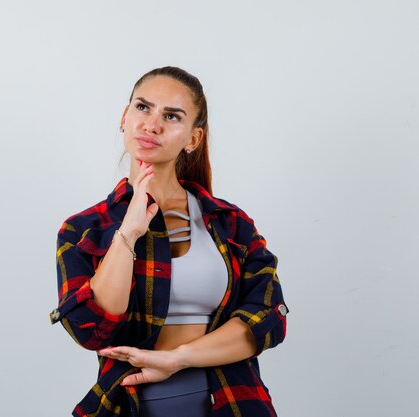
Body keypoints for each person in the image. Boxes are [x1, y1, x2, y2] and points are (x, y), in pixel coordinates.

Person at [50, 66, 289, 417]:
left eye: (172, 116)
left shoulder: (230, 223)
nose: (152, 124)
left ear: (193, 139)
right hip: (127, 405)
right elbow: (91, 329)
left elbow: (269, 317)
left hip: (232, 402)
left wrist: (177, 359)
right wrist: (127, 233)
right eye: (143, 108)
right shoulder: (84, 229)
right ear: (124, 117)